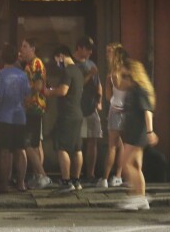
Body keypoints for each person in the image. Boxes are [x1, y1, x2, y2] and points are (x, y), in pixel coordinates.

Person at [116, 58, 158, 211]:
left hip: (137, 133)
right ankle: (139, 198)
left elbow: (147, 112)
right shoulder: (133, 90)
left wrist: (150, 131)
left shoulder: (138, 90)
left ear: (133, 75)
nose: (123, 80)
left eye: (125, 76)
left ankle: (138, 197)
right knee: (136, 166)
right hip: (134, 132)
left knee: (125, 164)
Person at [44, 45, 85, 193]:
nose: (57, 64)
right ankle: (76, 180)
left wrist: (49, 92)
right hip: (77, 113)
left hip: (67, 114)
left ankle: (66, 181)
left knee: (62, 147)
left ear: (61, 56)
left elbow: (63, 91)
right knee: (77, 148)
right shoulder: (78, 71)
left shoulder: (68, 71)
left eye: (57, 60)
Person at [0, 44, 30, 192]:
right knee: (20, 149)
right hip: (20, 116)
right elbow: (28, 97)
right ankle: (21, 183)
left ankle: (4, 184)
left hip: (3, 117)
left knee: (4, 151)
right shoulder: (23, 75)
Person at [20, 38, 51, 189]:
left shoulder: (36, 63)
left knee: (28, 143)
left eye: (25, 46)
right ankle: (38, 175)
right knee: (34, 143)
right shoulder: (28, 64)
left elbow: (38, 85)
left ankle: (42, 175)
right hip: (31, 107)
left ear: (33, 48)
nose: (22, 49)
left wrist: (27, 95)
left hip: (34, 107)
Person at [74, 36, 103, 185]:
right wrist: (89, 74)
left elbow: (99, 84)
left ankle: (90, 174)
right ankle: (76, 175)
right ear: (79, 48)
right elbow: (77, 85)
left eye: (92, 49)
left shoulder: (91, 63)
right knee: (77, 142)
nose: (90, 52)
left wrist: (99, 100)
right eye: (88, 49)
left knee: (93, 140)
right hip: (78, 108)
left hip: (92, 108)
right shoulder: (72, 64)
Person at [98, 42, 127, 188]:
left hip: (115, 110)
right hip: (126, 111)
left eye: (109, 51)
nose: (107, 54)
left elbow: (109, 97)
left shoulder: (111, 74)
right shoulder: (127, 71)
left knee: (112, 146)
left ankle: (105, 178)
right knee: (121, 145)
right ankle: (118, 176)